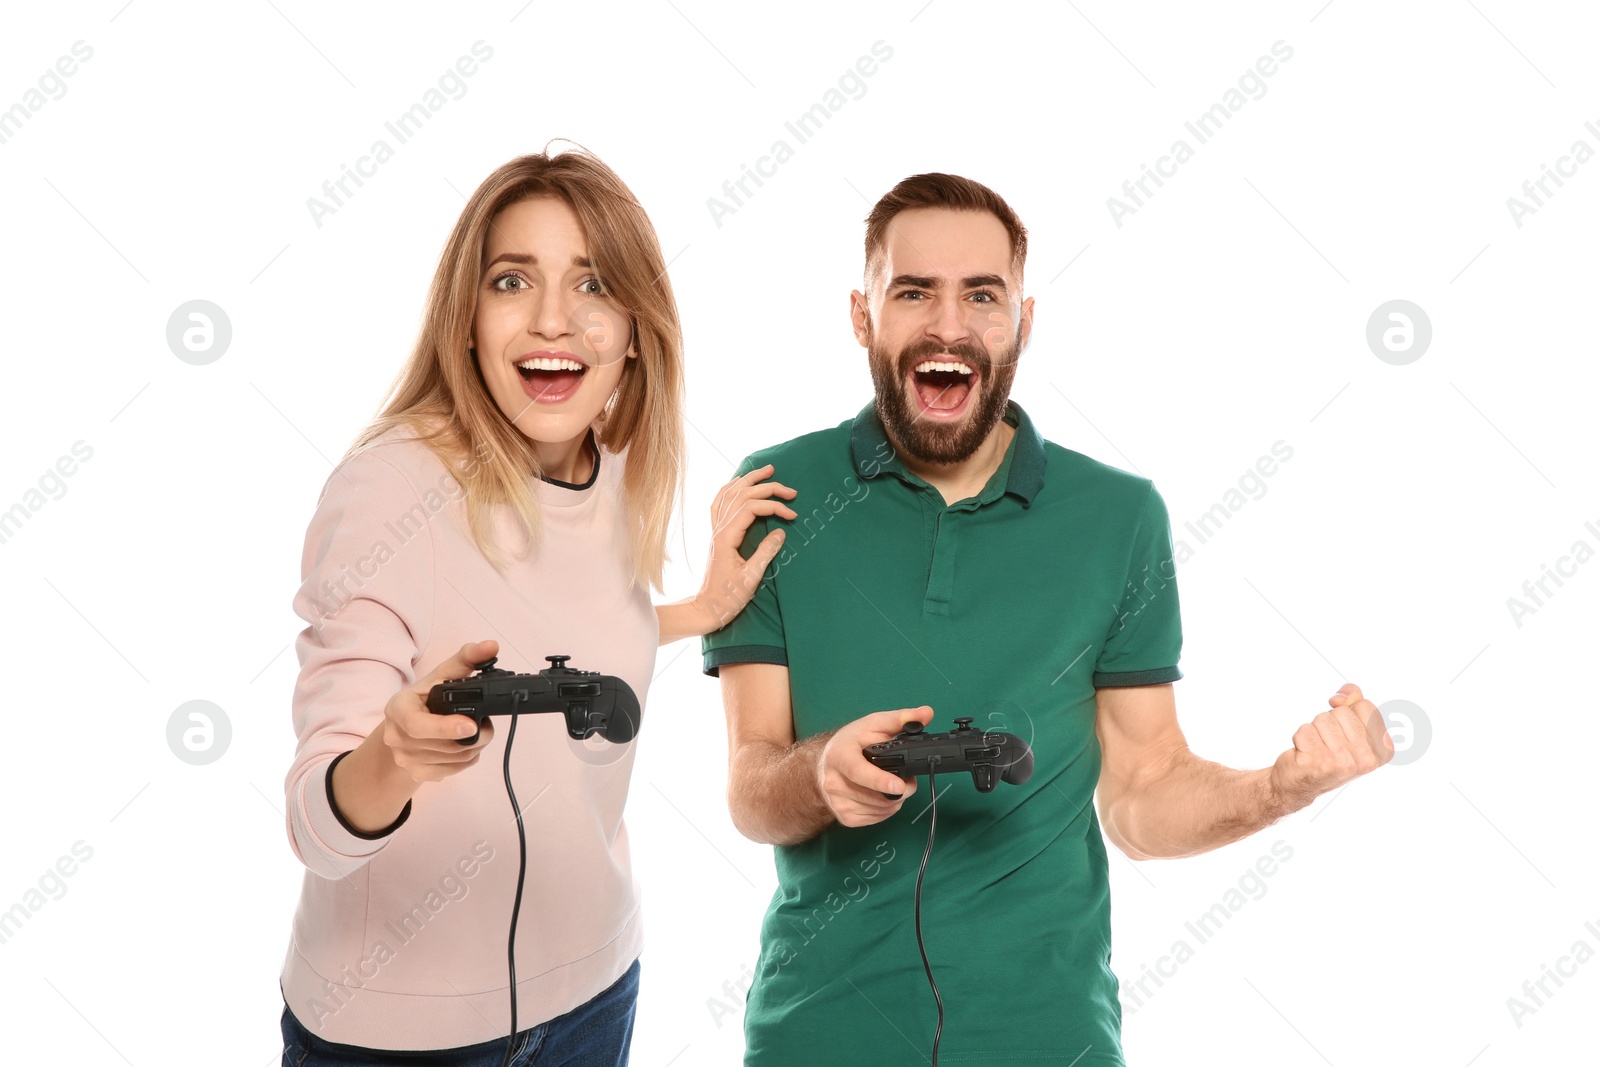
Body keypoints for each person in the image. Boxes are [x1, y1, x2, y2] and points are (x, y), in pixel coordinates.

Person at [702, 172, 1395, 1066]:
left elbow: (1143, 793)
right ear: (862, 316)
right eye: (913, 292)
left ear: (1023, 322)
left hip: (1048, 1038)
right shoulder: (776, 496)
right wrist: (818, 775)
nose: (949, 325)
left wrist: (1280, 787)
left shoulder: (1118, 517)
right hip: (818, 1032)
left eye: (981, 296)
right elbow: (750, 786)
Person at [278, 145, 796, 1066]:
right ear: (467, 319)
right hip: (401, 1034)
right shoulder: (388, 490)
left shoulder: (616, 465)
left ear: (636, 330)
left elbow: (579, 631)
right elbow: (317, 825)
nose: (554, 318)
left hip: (597, 991)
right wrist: (391, 755)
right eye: (513, 280)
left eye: (594, 284)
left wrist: (698, 607)